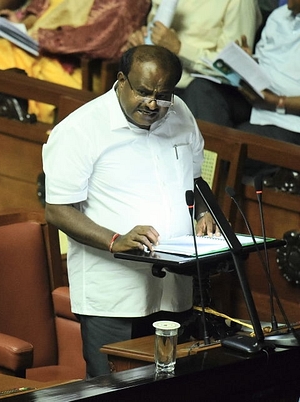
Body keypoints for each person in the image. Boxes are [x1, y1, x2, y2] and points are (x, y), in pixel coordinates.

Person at [42, 45, 218, 378]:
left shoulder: (180, 113)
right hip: (114, 294)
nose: (153, 104)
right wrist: (114, 239)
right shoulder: (81, 129)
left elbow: (195, 181)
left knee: (172, 384)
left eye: (163, 95)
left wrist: (203, 214)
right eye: (143, 92)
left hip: (174, 287)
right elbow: (57, 210)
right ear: (122, 80)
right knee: (115, 388)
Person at [0, 0, 152, 124]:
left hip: (76, 69)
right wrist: (21, 23)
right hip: (35, 48)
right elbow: (40, 10)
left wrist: (42, 38)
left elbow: (102, 40)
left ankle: (2, 129)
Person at [183, 1, 299, 146]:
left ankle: (212, 161)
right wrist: (248, 63)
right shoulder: (279, 16)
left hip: (289, 119)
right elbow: (269, 61)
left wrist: (277, 102)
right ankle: (206, 160)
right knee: (201, 90)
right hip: (255, 99)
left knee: (236, 142)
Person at [123, 0, 260, 97]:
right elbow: (153, 31)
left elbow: (235, 71)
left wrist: (180, 49)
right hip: (152, 82)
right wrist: (140, 44)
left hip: (195, 91)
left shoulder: (240, 2)